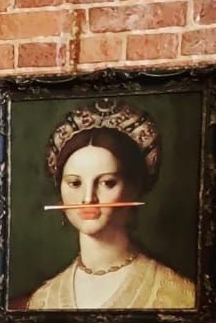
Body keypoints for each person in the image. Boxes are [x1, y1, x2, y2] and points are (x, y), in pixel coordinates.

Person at [20, 98, 194, 310]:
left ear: (133, 188)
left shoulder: (178, 295)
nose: (88, 198)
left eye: (107, 183)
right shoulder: (43, 300)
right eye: (75, 183)